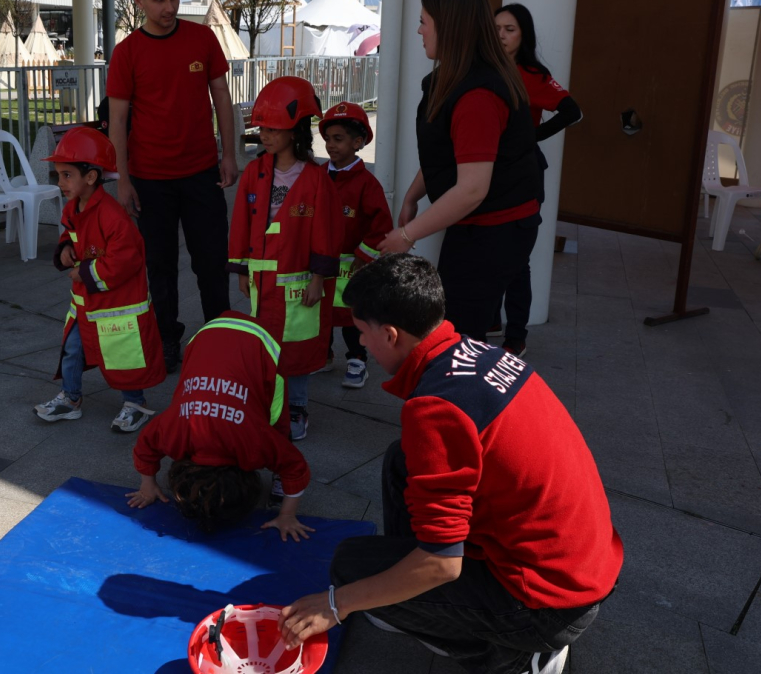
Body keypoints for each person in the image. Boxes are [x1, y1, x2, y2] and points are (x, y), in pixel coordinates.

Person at [279, 254, 622, 674]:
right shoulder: (478, 352)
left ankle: (515, 657)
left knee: (350, 569)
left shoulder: (437, 408)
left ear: (389, 334)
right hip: (581, 563)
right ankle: (412, 592)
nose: (362, 344)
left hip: (547, 603)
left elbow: (443, 564)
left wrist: (336, 604)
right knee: (401, 461)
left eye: (362, 333)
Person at [379, 0, 541, 342]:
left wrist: (405, 236)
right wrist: (411, 197)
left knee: (458, 334)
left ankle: (464, 397)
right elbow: (447, 154)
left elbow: (471, 189)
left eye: (424, 21)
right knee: (452, 320)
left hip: (495, 229)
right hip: (478, 225)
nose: (419, 30)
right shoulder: (454, 79)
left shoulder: (478, 94)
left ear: (448, 27)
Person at [106, 0, 237, 372]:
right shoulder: (126, 54)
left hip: (201, 173)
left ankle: (220, 336)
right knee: (160, 267)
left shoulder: (202, 40)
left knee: (211, 262)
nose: (169, 8)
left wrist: (230, 154)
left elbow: (222, 98)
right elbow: (119, 121)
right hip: (150, 180)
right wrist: (122, 180)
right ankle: (167, 339)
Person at [127, 310, 313, 541]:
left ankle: (277, 464)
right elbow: (145, 446)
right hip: (206, 337)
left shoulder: (256, 440)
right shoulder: (175, 431)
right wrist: (148, 484)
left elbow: (294, 466)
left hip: (260, 341)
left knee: (276, 419)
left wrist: (287, 514)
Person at [227, 77, 340, 442]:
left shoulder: (315, 179)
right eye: (262, 128)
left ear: (295, 131)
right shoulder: (253, 173)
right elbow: (241, 225)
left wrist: (319, 279)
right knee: (265, 347)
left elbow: (325, 231)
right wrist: (242, 270)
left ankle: (297, 408)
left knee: (298, 350)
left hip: (299, 285)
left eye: (274, 129)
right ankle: (267, 403)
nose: (265, 135)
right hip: (263, 284)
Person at [35, 127, 165, 433]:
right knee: (72, 349)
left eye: (67, 175)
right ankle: (71, 398)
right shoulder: (74, 208)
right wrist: (66, 248)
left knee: (125, 357)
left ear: (91, 177)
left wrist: (85, 272)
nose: (60, 182)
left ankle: (135, 404)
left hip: (117, 309)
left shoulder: (112, 216)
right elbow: (72, 234)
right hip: (86, 304)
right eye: (58, 175)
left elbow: (125, 259)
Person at [489, 3, 582, 356]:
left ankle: (516, 336)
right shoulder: (483, 69)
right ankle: (492, 321)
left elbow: (572, 111)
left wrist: (531, 137)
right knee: (489, 249)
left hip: (522, 176)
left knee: (515, 258)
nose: (501, 35)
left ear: (523, 35)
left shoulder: (532, 74)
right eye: (496, 27)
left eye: (509, 29)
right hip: (486, 173)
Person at [318, 102, 392, 389]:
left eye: (338, 139)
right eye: (327, 139)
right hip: (320, 264)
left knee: (351, 317)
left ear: (358, 142)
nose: (330, 145)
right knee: (320, 313)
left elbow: (381, 226)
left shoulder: (366, 184)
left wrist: (363, 255)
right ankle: (322, 356)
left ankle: (357, 359)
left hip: (352, 268)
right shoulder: (317, 177)